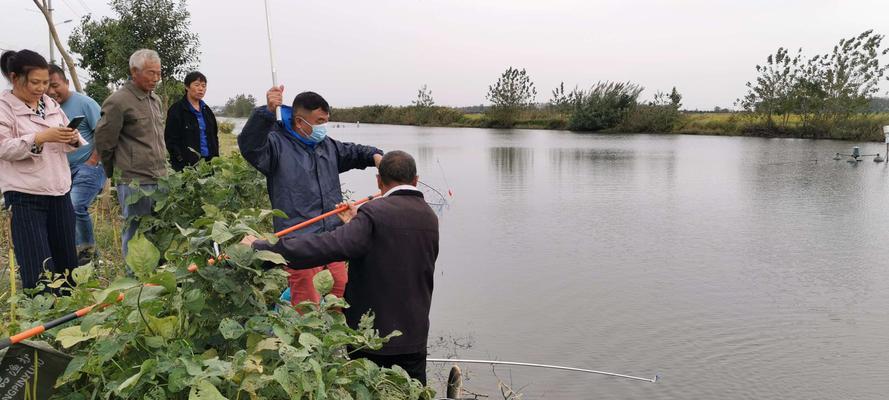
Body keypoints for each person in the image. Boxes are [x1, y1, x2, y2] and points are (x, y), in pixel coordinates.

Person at [243, 151, 439, 385]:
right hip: (415, 336)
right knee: (411, 391)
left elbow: (324, 246)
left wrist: (261, 248)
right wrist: (357, 224)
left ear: (379, 181)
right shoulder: (428, 216)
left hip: (373, 340)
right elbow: (393, 250)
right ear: (415, 180)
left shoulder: (374, 213)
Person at [238, 88, 383, 306]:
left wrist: (377, 156)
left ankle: (335, 339)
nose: (323, 127)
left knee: (339, 289)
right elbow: (250, 146)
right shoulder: (276, 145)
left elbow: (354, 152)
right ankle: (300, 336)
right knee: (306, 302)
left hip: (332, 238)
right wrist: (265, 113)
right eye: (319, 121)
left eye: (326, 121)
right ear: (300, 121)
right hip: (299, 243)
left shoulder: (327, 146)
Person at [0, 49, 85, 291]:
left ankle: (70, 318)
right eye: (35, 82)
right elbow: (4, 147)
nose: (41, 88)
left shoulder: (50, 105)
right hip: (25, 194)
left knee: (67, 262)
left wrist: (70, 137)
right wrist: (39, 138)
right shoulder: (4, 107)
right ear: (15, 78)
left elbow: (64, 143)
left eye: (45, 82)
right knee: (38, 266)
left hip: (58, 190)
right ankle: (41, 323)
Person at [94, 49, 166, 257]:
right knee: (136, 231)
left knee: (157, 231)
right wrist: (113, 171)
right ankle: (136, 280)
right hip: (135, 180)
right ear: (134, 71)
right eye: (150, 73)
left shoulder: (155, 100)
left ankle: (156, 280)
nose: (155, 78)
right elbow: (105, 140)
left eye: (158, 73)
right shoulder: (118, 101)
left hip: (160, 177)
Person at [46, 64, 105, 265]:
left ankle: (87, 254)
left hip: (88, 166)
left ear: (66, 82)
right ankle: (67, 257)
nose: (52, 92)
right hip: (60, 171)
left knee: (75, 205)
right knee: (60, 213)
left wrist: (93, 160)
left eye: (55, 85)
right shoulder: (46, 108)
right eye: (47, 87)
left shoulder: (85, 103)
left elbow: (104, 133)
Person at [164, 71, 219, 171]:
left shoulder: (207, 111)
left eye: (204, 86)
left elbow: (214, 137)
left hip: (208, 164)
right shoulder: (177, 110)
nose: (201, 89)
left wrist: (215, 159)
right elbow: (170, 140)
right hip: (186, 166)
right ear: (187, 87)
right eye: (197, 85)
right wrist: (180, 160)